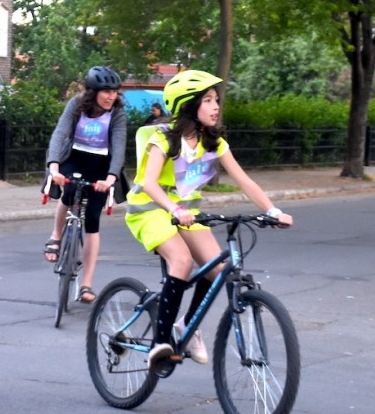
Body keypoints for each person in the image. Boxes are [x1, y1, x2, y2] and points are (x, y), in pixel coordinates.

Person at [124, 69, 293, 368]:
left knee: (220, 269)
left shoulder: (213, 142)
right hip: (150, 208)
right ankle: (162, 341)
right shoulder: (163, 139)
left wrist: (273, 211)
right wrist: (174, 209)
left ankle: (187, 326)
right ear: (189, 105)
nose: (216, 106)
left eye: (216, 100)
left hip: (187, 214)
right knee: (182, 261)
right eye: (208, 100)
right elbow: (149, 183)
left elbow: (244, 180)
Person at [44, 66, 128, 304]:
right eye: (106, 92)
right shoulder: (76, 105)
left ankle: (87, 285)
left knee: (92, 219)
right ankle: (56, 236)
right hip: (75, 158)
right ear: (93, 92)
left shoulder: (118, 113)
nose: (111, 97)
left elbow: (119, 146)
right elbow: (60, 134)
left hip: (102, 166)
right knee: (68, 192)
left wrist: (111, 178)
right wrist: (54, 167)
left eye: (114, 92)